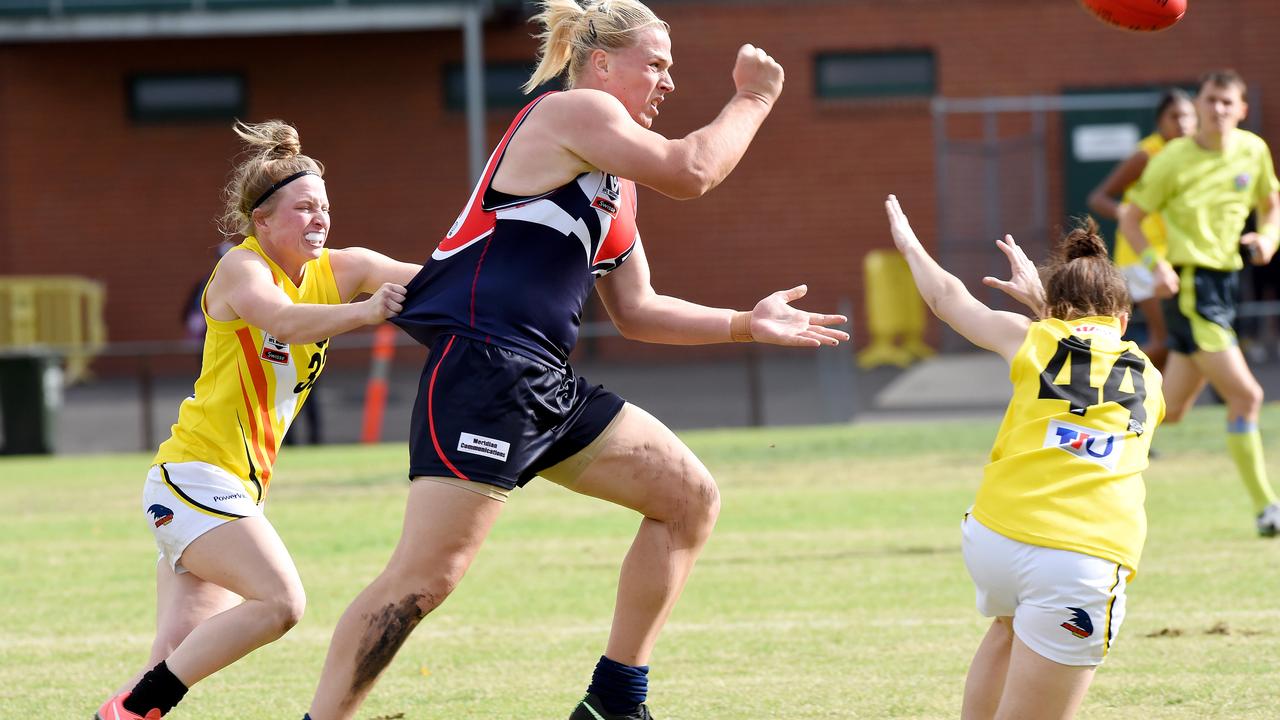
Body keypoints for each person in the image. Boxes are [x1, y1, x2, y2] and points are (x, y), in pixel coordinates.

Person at [302, 2, 849, 719]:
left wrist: (746, 323)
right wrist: (754, 97)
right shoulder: (571, 113)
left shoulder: (614, 183)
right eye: (655, 64)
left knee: (688, 501)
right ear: (600, 65)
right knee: (425, 579)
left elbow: (640, 310)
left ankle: (614, 703)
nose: (667, 83)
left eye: (671, 69)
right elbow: (693, 169)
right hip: (485, 368)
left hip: (545, 382)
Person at [95, 120, 420, 720]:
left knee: (171, 655)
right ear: (262, 221)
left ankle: (126, 711)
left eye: (324, 207)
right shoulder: (242, 270)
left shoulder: (344, 268)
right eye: (303, 209)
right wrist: (370, 312)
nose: (319, 219)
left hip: (234, 488)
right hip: (193, 478)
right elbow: (285, 321)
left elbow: (439, 284)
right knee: (281, 602)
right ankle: (133, 706)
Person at [886, 195, 1164, 720]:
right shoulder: (1149, 372)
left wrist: (910, 244)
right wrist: (1049, 309)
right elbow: (1091, 366)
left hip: (995, 537)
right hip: (1079, 553)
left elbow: (949, 299)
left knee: (1009, 627)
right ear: (1123, 320)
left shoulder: (1031, 339)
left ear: (1055, 312)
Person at [1118, 69, 1280, 536]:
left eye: (1228, 102)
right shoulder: (1173, 158)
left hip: (1225, 284)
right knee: (1248, 396)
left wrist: (1268, 237)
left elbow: (1270, 204)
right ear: (1200, 104)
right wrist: (1157, 264)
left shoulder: (1254, 150)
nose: (1218, 109)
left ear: (1242, 109)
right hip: (1191, 288)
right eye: (1211, 100)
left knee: (1169, 411)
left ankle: (1095, 434)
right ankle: (1267, 508)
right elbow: (1131, 217)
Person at [1087, 88, 1197, 370]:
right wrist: (1125, 214)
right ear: (1160, 121)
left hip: (1170, 254)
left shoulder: (1193, 153)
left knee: (1176, 340)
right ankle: (1100, 378)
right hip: (1141, 255)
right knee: (1166, 339)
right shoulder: (1147, 154)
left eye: (1188, 116)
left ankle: (1146, 401)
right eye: (1174, 116)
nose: (1182, 123)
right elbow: (1099, 197)